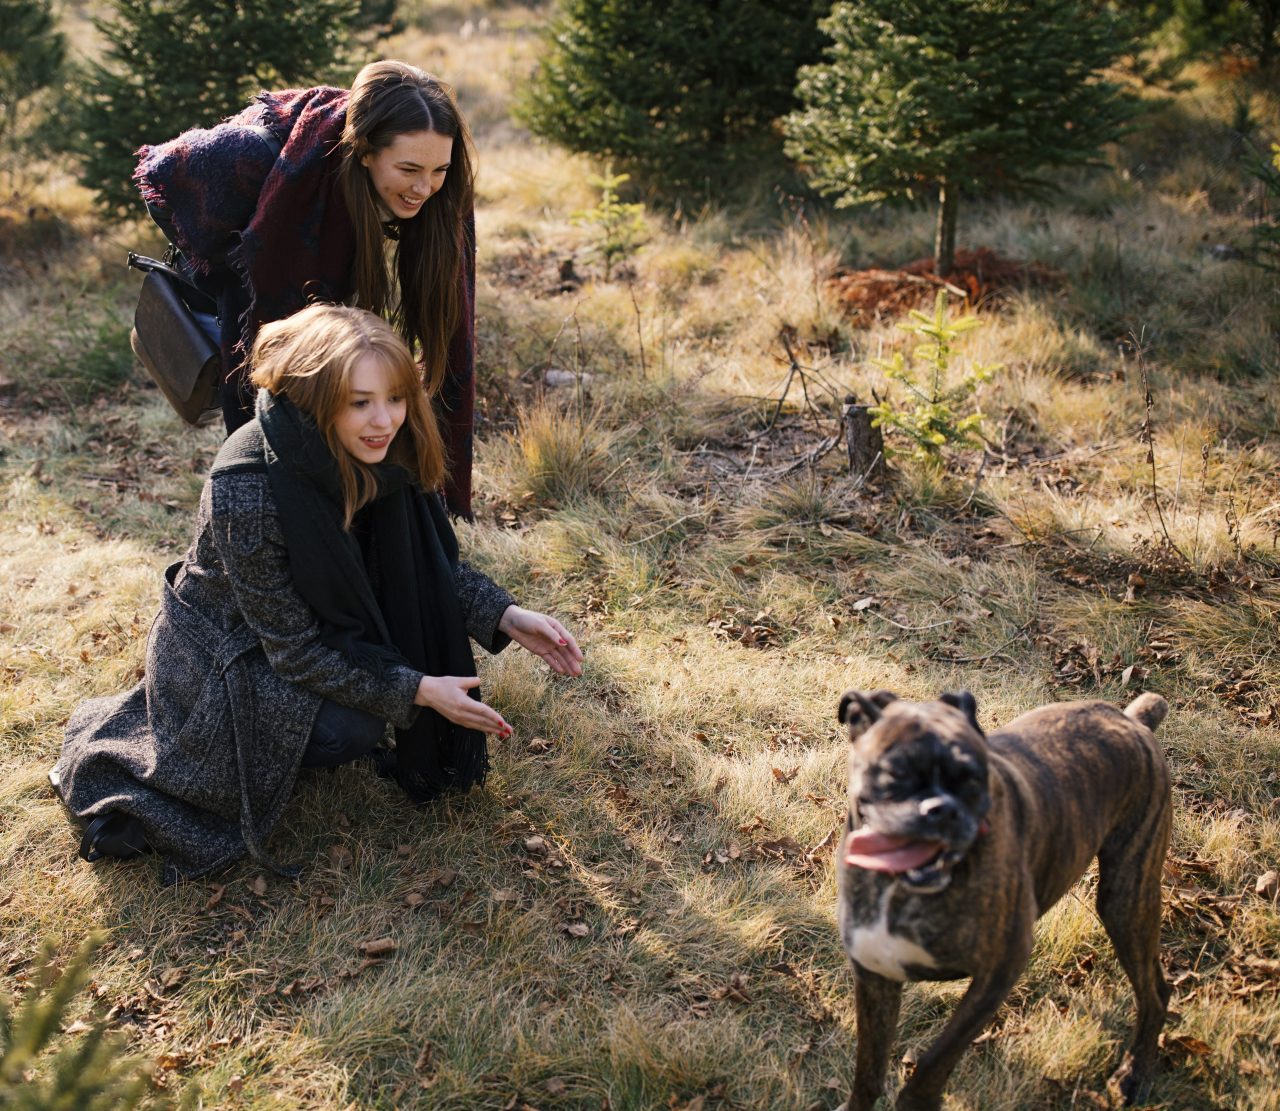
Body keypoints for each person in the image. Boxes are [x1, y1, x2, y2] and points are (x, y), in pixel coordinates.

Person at [53, 305, 582, 883]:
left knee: (377, 688)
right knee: (350, 729)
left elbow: (425, 568)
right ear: (315, 395)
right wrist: (419, 690)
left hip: (315, 623)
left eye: (396, 397)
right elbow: (293, 651)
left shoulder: (386, 452)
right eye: (360, 402)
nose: (385, 420)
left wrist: (506, 616)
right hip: (228, 653)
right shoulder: (248, 488)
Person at [134, 59, 481, 518]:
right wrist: (228, 269)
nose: (425, 187)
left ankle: (357, 505)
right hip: (262, 262)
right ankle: (269, 508)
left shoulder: (441, 187)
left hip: (316, 233)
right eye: (409, 168)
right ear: (364, 152)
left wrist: (445, 490)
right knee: (284, 379)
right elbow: (163, 171)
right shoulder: (256, 156)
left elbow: (452, 333)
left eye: (438, 169)